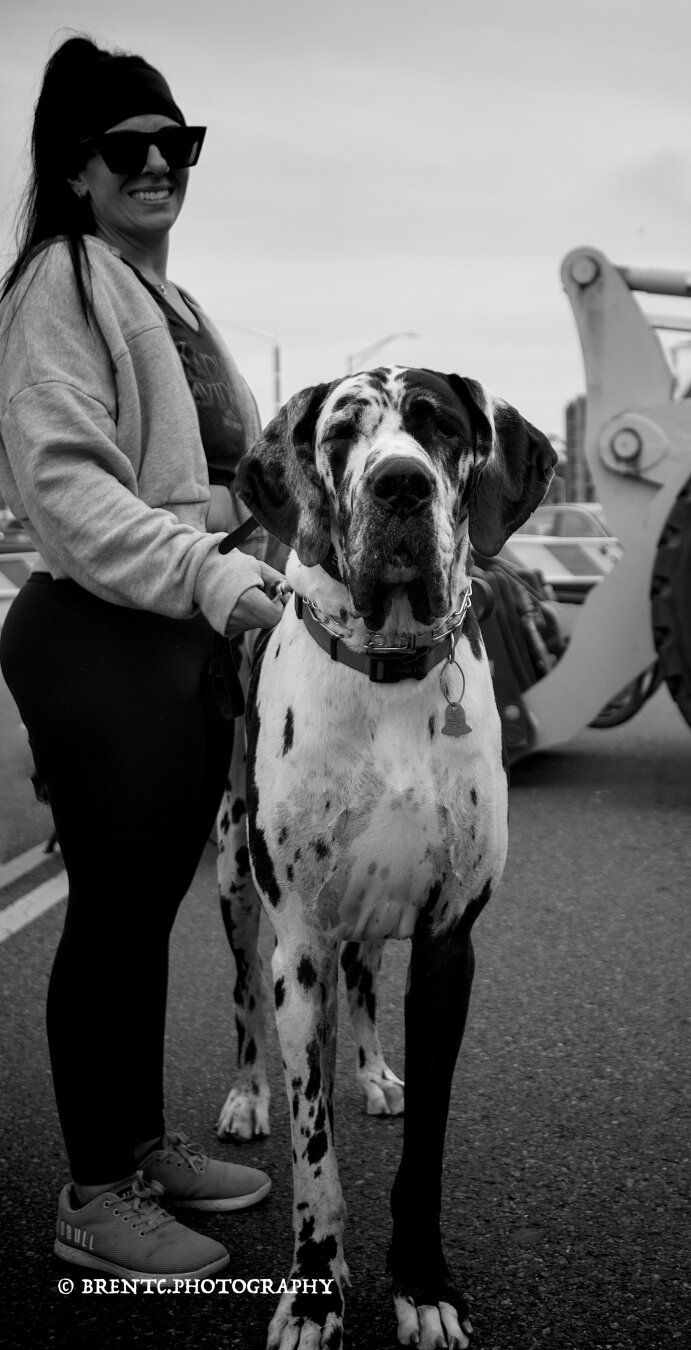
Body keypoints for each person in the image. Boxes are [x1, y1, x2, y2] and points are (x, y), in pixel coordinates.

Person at [0, 36, 284, 1281]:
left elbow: (219, 486)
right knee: (112, 919)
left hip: (172, 640)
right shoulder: (59, 281)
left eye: (179, 142)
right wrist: (215, 577)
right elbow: (71, 494)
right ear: (75, 172)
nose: (160, 162)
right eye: (129, 147)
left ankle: (137, 1144)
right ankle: (93, 1197)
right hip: (98, 636)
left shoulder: (168, 300)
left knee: (147, 911)